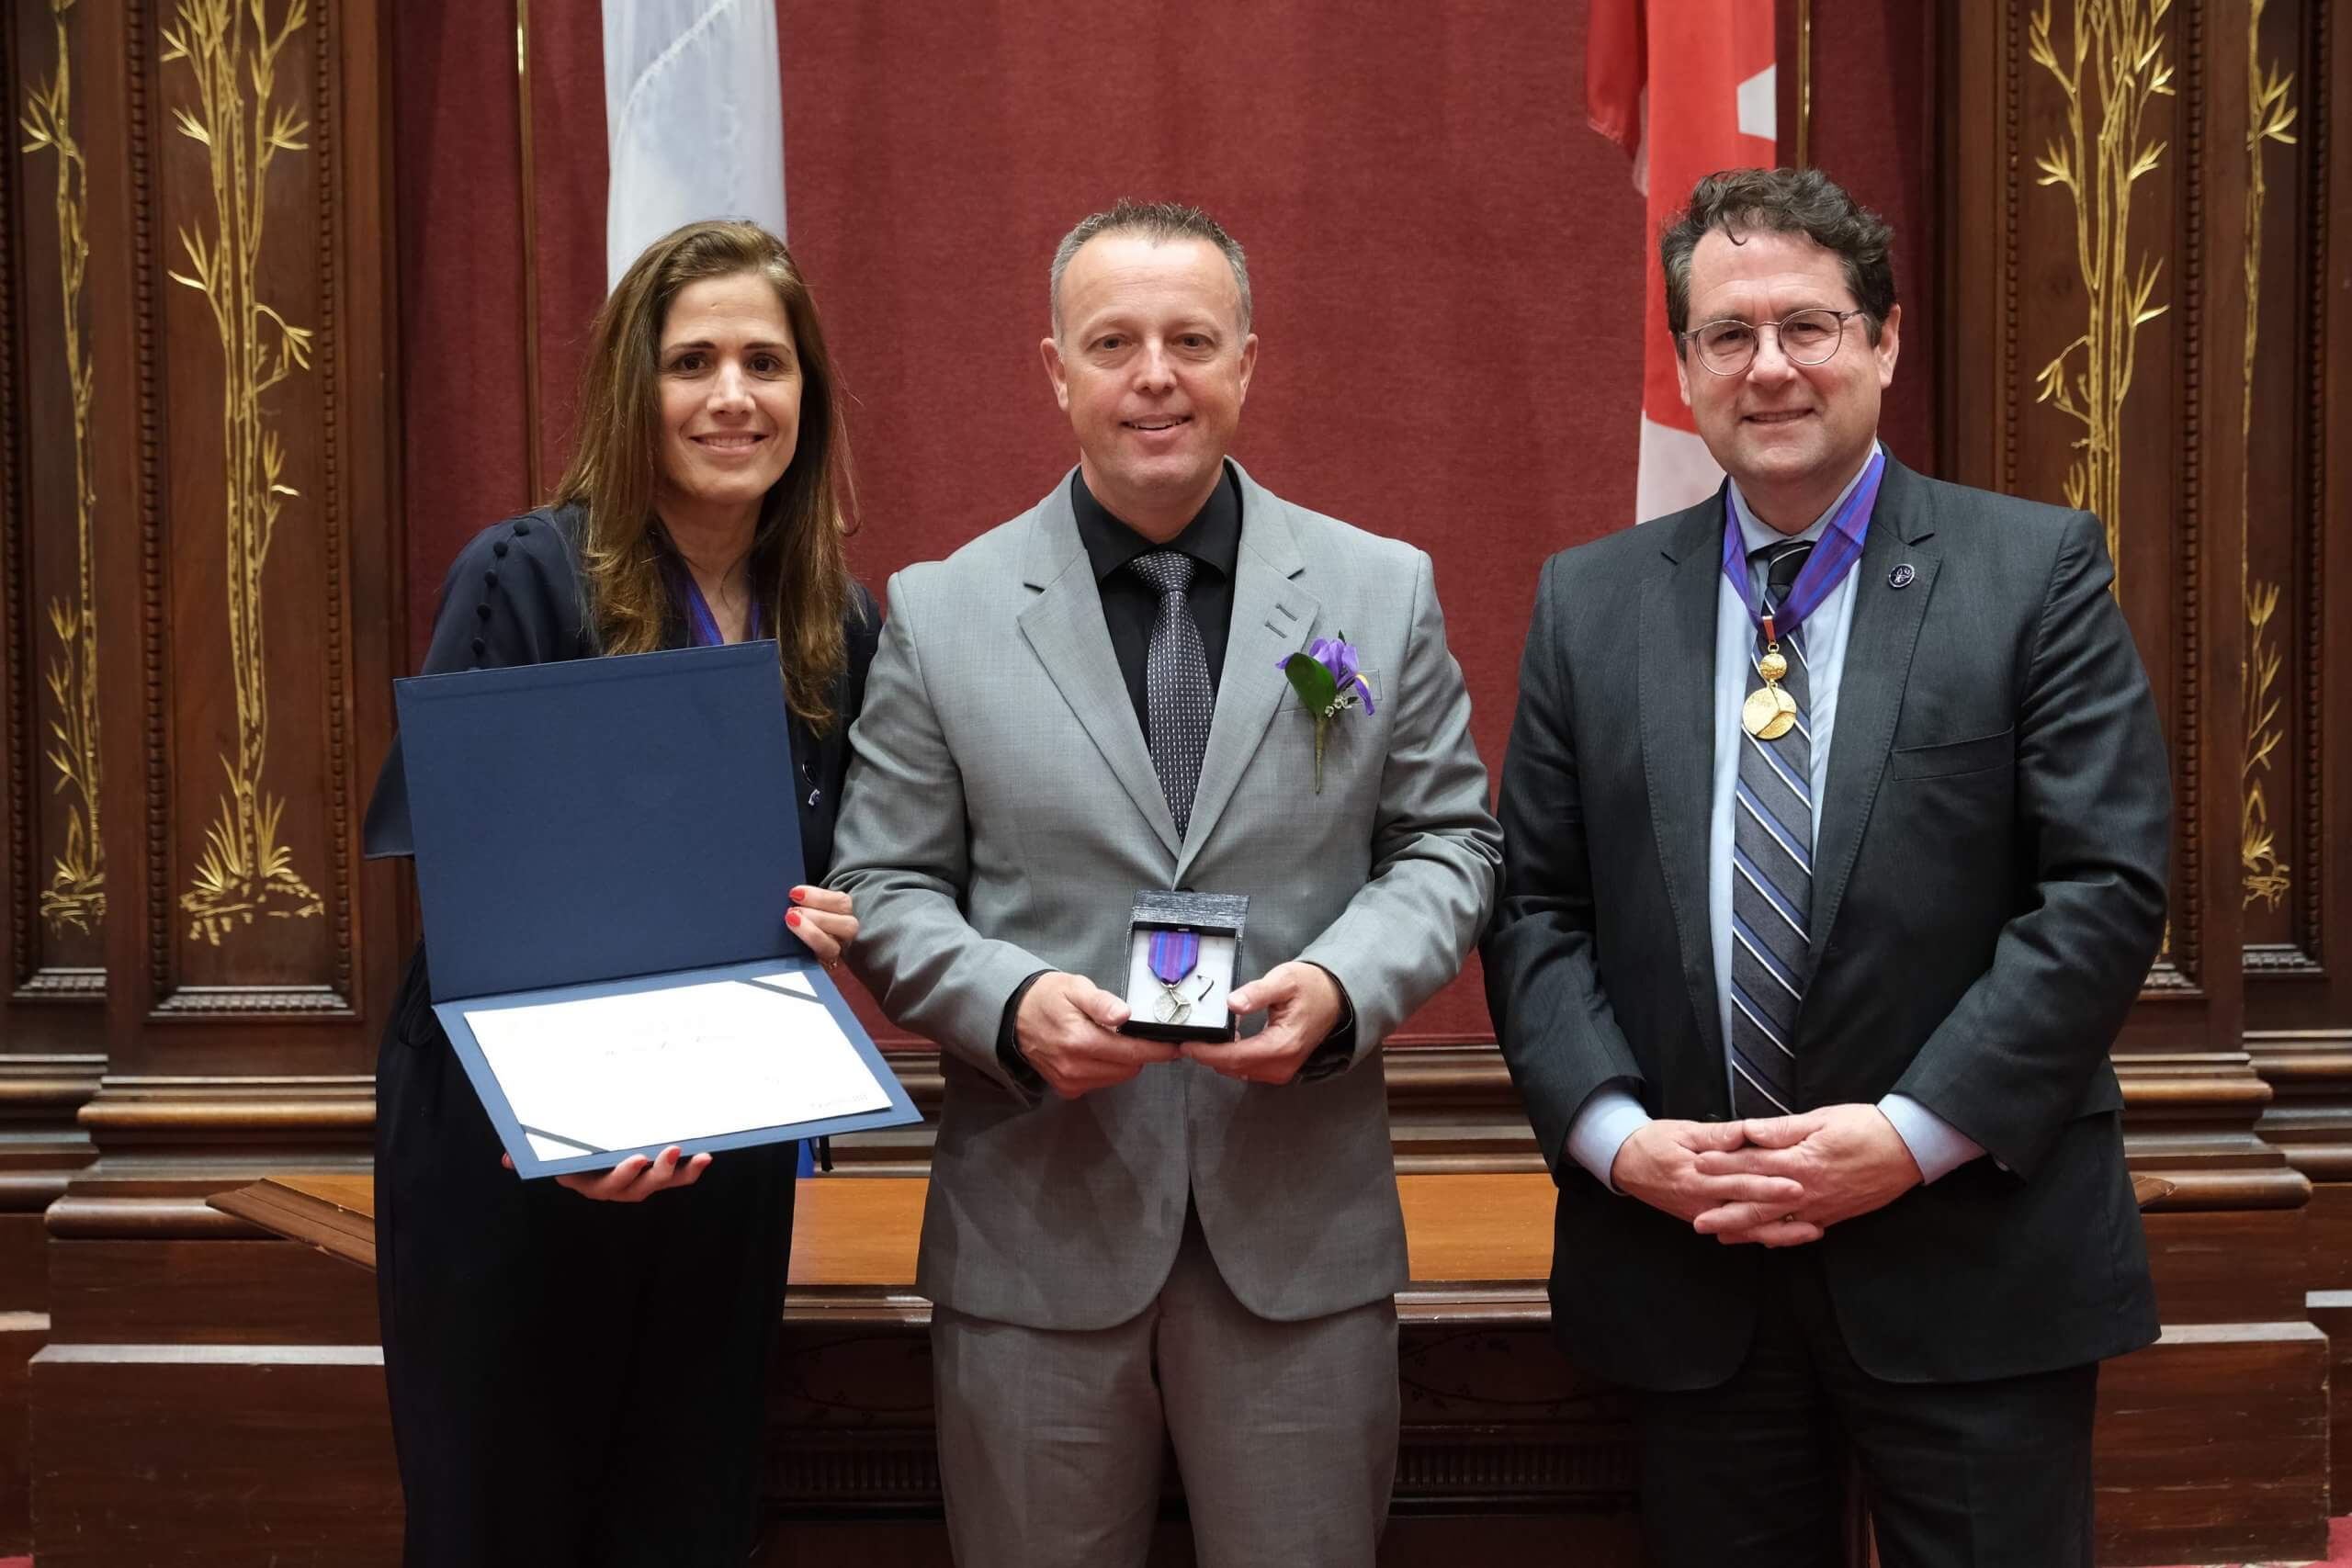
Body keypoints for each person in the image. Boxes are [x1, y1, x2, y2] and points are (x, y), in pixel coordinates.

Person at [1482, 166, 2170, 1567]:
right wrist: (1622, 1145)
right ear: (1683, 368)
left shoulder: (2031, 573)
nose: (1770, 365)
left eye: (1809, 325)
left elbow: (2101, 893)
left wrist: (1908, 1139)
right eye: (1727, 335)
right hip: (1693, 1266)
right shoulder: (1591, 603)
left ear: (1884, 341)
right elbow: (1536, 908)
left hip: (1974, 1260)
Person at [827, 199, 1499, 1567]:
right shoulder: (943, 612)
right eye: (1114, 341)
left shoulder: (1378, 591)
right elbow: (885, 883)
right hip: (1033, 1246)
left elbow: (1451, 845)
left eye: (1192, 339)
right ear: (1055, 370)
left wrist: (1340, 986)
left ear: (1247, 360)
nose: (1155, 375)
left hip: (1298, 1247)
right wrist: (1013, 1007)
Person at [360, 219, 876, 1566]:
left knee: (686, 1516)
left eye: (766, 361)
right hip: (513, 1156)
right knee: (504, 1523)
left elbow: (848, 852)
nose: (731, 396)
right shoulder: (523, 577)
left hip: (725, 1146)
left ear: (806, 397)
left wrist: (841, 907)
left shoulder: (835, 614)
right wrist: (575, 1134)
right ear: (628, 390)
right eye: (690, 360)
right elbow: (472, 891)